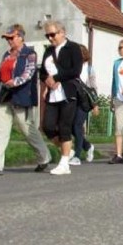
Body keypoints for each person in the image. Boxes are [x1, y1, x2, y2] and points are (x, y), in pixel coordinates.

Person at [0, 24, 52, 175]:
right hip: (4, 96)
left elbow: (29, 73)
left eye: (11, 38)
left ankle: (44, 157)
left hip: (21, 96)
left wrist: (14, 82)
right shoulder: (6, 55)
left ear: (21, 37)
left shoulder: (29, 54)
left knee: (27, 129)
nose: (9, 41)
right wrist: (0, 87)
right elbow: (0, 74)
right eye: (7, 38)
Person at [39, 20, 82, 175]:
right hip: (52, 94)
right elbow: (42, 72)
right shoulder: (48, 51)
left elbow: (75, 70)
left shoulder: (73, 48)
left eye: (53, 34)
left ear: (62, 32)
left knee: (65, 127)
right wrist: (47, 80)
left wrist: (56, 77)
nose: (50, 38)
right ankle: (67, 151)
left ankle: (64, 164)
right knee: (48, 126)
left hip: (68, 92)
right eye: (47, 35)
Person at [70, 44, 97, 166]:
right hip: (72, 99)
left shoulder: (88, 68)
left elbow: (93, 87)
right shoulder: (71, 66)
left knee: (77, 125)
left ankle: (77, 155)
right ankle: (88, 146)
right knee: (70, 126)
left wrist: (95, 104)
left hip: (84, 101)